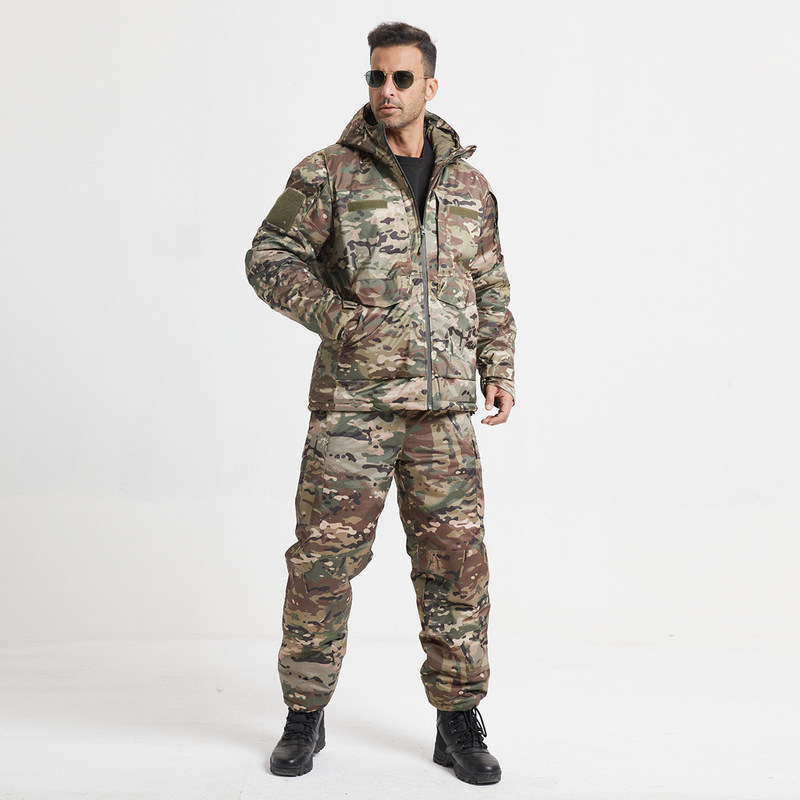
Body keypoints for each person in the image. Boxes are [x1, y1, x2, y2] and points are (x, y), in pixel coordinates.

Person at [245, 21, 515, 786]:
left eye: (400, 78)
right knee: (322, 565)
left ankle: (457, 720)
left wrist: (498, 365)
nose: (386, 91)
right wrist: (341, 321)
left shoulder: (469, 187)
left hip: (444, 415)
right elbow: (268, 257)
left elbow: (491, 283)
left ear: (431, 85)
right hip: (353, 410)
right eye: (375, 77)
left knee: (457, 568)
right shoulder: (328, 173)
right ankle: (304, 714)